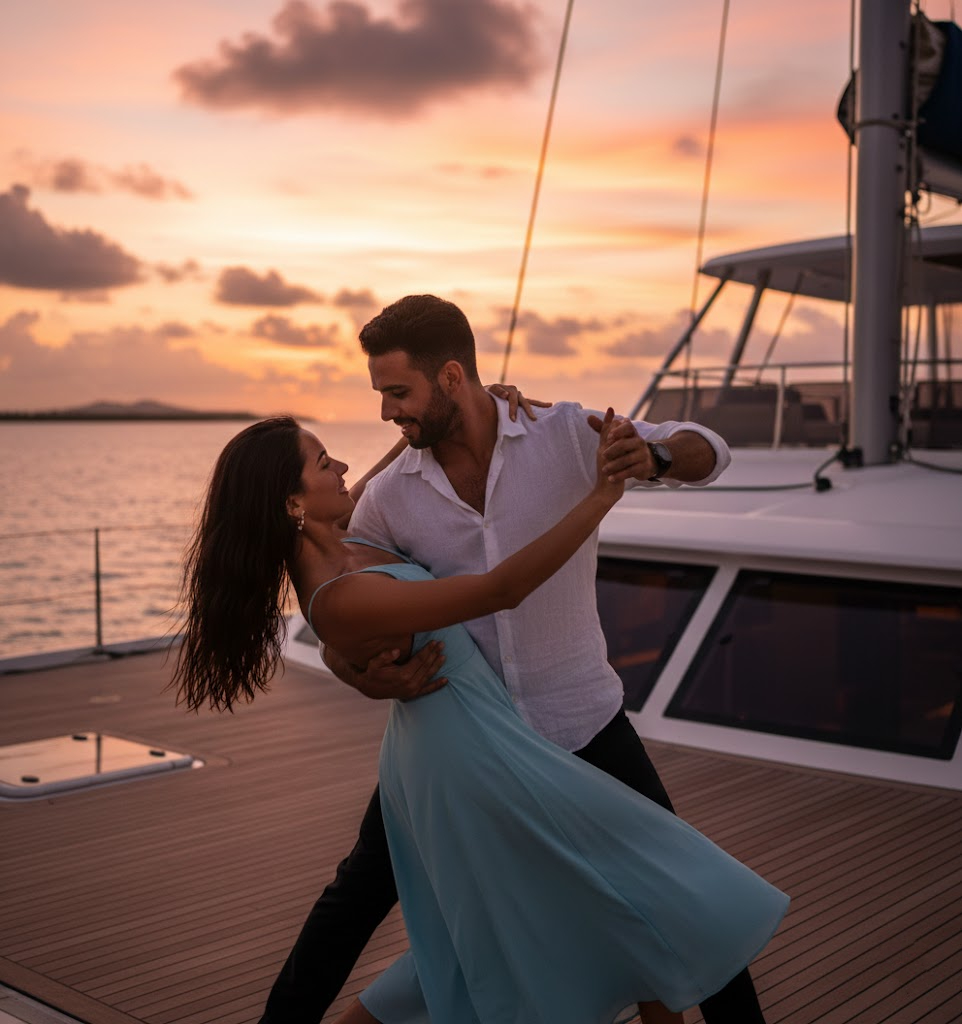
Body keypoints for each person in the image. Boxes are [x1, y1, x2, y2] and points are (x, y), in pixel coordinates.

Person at [173, 413, 788, 1024]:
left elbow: (706, 445)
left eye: (396, 394)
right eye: (322, 461)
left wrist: (433, 424)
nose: (343, 466)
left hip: (484, 735)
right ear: (291, 503)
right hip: (470, 757)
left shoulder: (349, 537)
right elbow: (498, 590)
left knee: (565, 914)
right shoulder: (341, 586)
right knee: (629, 894)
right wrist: (603, 494)